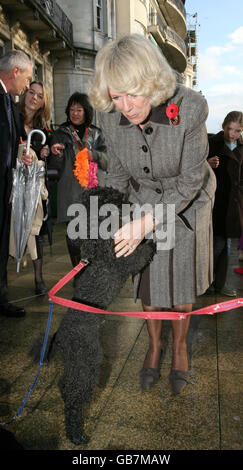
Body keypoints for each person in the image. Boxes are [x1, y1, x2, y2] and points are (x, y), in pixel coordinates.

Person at [89, 34, 216, 394]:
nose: (125, 106)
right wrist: (105, 218)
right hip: (145, 196)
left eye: (132, 93)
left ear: (151, 82)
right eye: (116, 96)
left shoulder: (191, 108)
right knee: (149, 277)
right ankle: (154, 345)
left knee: (180, 279)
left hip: (188, 199)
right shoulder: (111, 116)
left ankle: (178, 347)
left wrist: (145, 222)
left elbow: (191, 178)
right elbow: (115, 174)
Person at [49, 92, 107, 268]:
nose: (75, 113)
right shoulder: (60, 133)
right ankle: (77, 271)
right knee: (73, 235)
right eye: (72, 109)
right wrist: (55, 155)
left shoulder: (96, 134)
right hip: (70, 191)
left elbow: (107, 160)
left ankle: (90, 269)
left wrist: (93, 154)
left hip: (93, 191)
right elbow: (53, 168)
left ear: (86, 111)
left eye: (79, 109)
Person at [0, 50, 32, 317]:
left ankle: (1, 298)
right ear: (16, 72)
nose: (28, 85)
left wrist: (24, 155)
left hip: (5, 185)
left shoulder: (9, 102)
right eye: (28, 78)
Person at [16, 80, 51, 295]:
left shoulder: (43, 128)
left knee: (37, 231)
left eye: (39, 96)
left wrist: (48, 152)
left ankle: (39, 279)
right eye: (31, 92)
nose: (34, 98)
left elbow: (48, 157)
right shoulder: (12, 119)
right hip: (13, 187)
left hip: (35, 190)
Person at [207, 111, 243, 296]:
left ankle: (220, 284)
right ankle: (208, 283)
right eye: (229, 129)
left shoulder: (242, 148)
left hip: (234, 205)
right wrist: (206, 164)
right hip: (216, 203)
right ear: (223, 126)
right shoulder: (212, 143)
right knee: (217, 245)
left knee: (228, 246)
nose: (232, 134)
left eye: (237, 130)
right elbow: (193, 167)